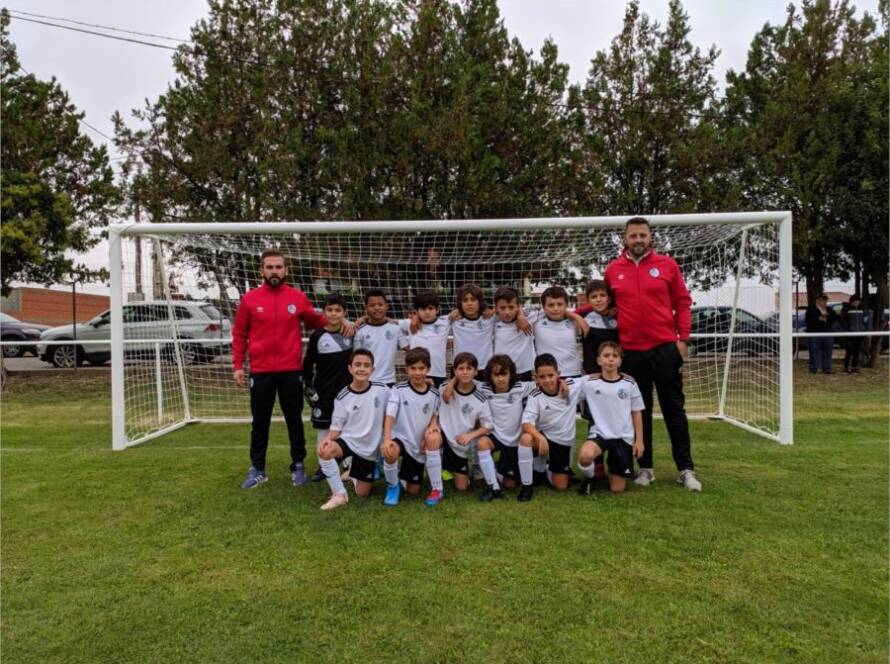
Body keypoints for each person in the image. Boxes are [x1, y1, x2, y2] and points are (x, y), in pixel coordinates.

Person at [232, 249, 350, 490]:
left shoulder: (297, 297)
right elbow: (239, 333)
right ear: (262, 270)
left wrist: (344, 322)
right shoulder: (250, 299)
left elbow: (318, 320)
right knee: (260, 421)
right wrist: (237, 366)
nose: (274, 271)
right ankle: (258, 469)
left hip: (290, 371)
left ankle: (298, 465)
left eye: (278, 267)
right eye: (269, 267)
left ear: (286, 270)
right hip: (261, 372)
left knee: (294, 420)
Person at [604, 217, 701, 492]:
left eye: (642, 235)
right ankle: (645, 468)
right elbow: (604, 306)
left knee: (674, 409)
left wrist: (683, 341)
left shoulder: (667, 265)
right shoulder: (613, 270)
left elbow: (682, 302)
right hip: (631, 352)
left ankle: (685, 469)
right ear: (625, 239)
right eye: (633, 235)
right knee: (638, 412)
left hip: (665, 349)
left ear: (650, 238)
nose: (638, 240)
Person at [316, 349, 390, 511]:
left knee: (363, 494)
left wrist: (425, 383)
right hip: (348, 441)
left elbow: (400, 399)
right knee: (325, 450)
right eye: (357, 365)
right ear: (350, 368)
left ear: (373, 369)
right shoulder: (343, 396)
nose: (362, 369)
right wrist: (327, 439)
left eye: (366, 365)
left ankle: (353, 472)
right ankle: (339, 494)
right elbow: (336, 426)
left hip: (368, 449)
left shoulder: (383, 389)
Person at [577, 342, 644, 495]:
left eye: (615, 356)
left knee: (617, 489)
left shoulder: (629, 383)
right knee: (585, 456)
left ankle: (614, 467)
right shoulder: (589, 382)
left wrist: (639, 441)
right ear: (599, 360)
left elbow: (637, 412)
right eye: (606, 355)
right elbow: (566, 386)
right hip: (599, 435)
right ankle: (590, 478)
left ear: (620, 361)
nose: (611, 359)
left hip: (622, 437)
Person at [519, 354, 587, 500]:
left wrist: (621, 374)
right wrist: (539, 438)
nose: (547, 380)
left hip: (563, 441)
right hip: (544, 437)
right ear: (536, 378)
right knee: (526, 438)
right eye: (542, 377)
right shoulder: (535, 394)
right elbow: (526, 423)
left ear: (558, 374)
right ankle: (527, 486)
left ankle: (545, 468)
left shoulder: (571, 386)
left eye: (551, 375)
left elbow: (595, 377)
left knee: (561, 486)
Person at [380, 347, 442, 506]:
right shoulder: (398, 390)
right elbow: (390, 415)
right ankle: (392, 487)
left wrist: (433, 425)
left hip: (418, 443)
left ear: (428, 368)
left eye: (421, 368)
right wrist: (387, 439)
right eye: (413, 368)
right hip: (400, 439)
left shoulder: (434, 393)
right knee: (390, 450)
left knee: (412, 490)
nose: (417, 372)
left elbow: (434, 414)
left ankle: (437, 489)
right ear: (406, 369)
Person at [303, 294, 354, 481]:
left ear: (344, 313)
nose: (333, 313)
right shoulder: (317, 335)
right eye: (330, 310)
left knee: (347, 428)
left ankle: (349, 465)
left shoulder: (350, 333)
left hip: (347, 391)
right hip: (323, 392)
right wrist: (308, 386)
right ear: (324, 312)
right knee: (324, 428)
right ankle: (324, 465)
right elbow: (308, 364)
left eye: (338, 310)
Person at [437, 352, 494, 496]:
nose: (465, 372)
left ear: (475, 372)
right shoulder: (444, 388)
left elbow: (488, 425)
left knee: (462, 487)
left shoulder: (480, 397)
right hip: (443, 439)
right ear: (455, 371)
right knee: (432, 439)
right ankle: (437, 481)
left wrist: (470, 435)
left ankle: (457, 470)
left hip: (459, 443)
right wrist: (452, 382)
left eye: (469, 368)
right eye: (461, 368)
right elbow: (443, 397)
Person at [532, 286, 589, 378]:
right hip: (546, 376)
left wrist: (576, 317)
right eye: (551, 305)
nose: (555, 308)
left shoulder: (575, 321)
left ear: (566, 305)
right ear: (543, 307)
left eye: (560, 304)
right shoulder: (536, 322)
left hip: (573, 372)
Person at [400, 290, 451, 387]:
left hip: (438, 374)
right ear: (417, 311)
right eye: (423, 309)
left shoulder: (445, 322)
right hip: (417, 373)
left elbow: (460, 313)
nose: (427, 312)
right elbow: (390, 324)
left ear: (437, 309)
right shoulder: (409, 323)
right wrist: (406, 346)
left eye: (430, 308)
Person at [353, 290, 403, 386]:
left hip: (389, 381)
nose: (376, 308)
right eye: (372, 305)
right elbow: (356, 358)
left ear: (387, 306)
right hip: (366, 381)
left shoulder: (395, 329)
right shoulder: (360, 331)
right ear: (366, 308)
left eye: (380, 304)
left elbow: (409, 347)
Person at [449, 283, 495, 371]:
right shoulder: (453, 320)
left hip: (485, 370)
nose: (469, 303)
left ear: (479, 301)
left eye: (473, 299)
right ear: (460, 303)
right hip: (461, 370)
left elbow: (509, 306)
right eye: (465, 300)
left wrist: (520, 316)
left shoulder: (489, 319)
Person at [492, 286, 535, 381]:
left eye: (511, 307)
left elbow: (547, 311)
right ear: (496, 309)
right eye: (502, 308)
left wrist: (520, 315)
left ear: (518, 306)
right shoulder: (493, 321)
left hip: (523, 371)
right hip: (501, 372)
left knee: (524, 396)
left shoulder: (528, 319)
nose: (507, 312)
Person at [805, 293, 838, 374]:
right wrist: (818, 319)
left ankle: (827, 368)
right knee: (814, 351)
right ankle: (814, 368)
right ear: (817, 300)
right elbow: (808, 321)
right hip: (815, 333)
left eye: (826, 300)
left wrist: (827, 319)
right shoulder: (811, 309)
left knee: (828, 351)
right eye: (823, 300)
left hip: (828, 333)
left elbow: (835, 318)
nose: (825, 302)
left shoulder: (829, 309)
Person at [841, 294, 866, 373]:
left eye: (858, 301)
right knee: (849, 350)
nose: (857, 303)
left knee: (857, 350)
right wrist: (848, 327)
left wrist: (864, 329)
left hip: (860, 333)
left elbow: (864, 320)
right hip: (850, 333)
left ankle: (854, 367)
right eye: (856, 301)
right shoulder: (846, 309)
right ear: (852, 301)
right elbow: (841, 319)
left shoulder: (862, 309)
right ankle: (846, 367)